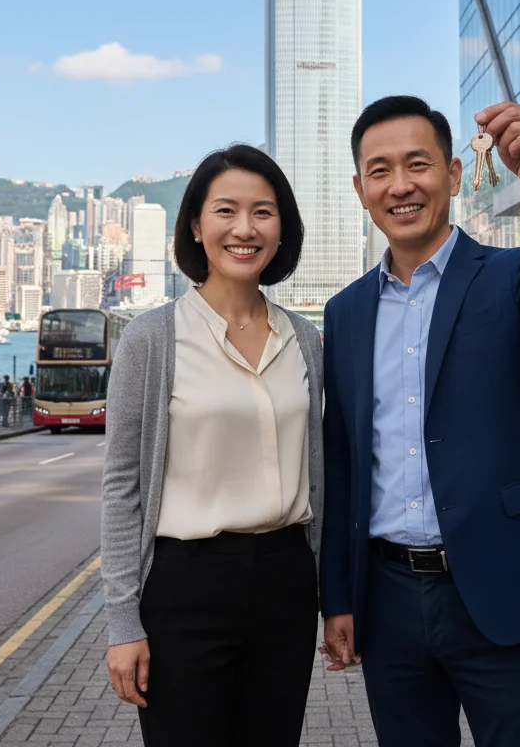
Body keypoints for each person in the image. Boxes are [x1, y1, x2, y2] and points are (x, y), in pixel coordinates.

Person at [319, 97, 520, 747]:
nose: (401, 185)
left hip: (500, 587)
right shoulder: (344, 313)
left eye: (417, 164)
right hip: (388, 601)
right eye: (380, 170)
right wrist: (338, 597)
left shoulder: (510, 276)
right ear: (360, 189)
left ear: (453, 175)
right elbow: (342, 460)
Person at [101, 145, 323, 747]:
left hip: (287, 582)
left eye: (264, 212)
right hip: (186, 584)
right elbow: (122, 485)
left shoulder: (305, 341)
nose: (245, 229)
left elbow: (322, 469)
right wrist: (124, 622)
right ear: (197, 226)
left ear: (283, 229)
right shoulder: (153, 339)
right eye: (226, 210)